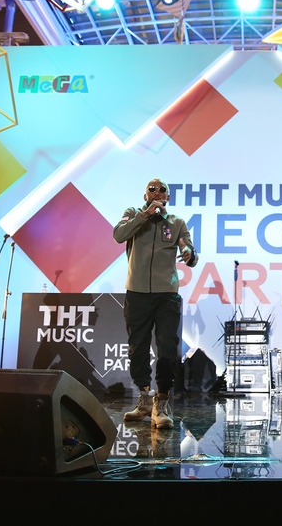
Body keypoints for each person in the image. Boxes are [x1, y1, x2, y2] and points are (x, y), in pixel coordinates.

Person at [113, 178, 198, 429]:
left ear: (168, 198)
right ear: (145, 196)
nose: (157, 192)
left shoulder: (176, 223)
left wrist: (189, 253)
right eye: (152, 189)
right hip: (137, 293)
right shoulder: (133, 214)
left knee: (167, 348)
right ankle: (143, 398)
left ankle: (161, 402)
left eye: (162, 190)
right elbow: (118, 235)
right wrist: (145, 215)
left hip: (166, 295)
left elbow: (190, 251)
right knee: (137, 348)